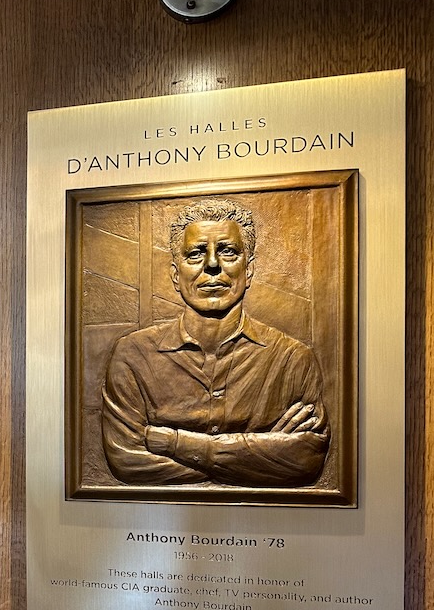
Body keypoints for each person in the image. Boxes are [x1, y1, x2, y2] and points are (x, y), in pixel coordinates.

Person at [101, 198, 329, 487]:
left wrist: (173, 442)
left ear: (249, 270)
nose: (211, 265)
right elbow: (126, 461)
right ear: (175, 274)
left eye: (228, 251)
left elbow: (306, 461)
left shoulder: (293, 359)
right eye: (195, 253)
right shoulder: (133, 354)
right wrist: (262, 456)